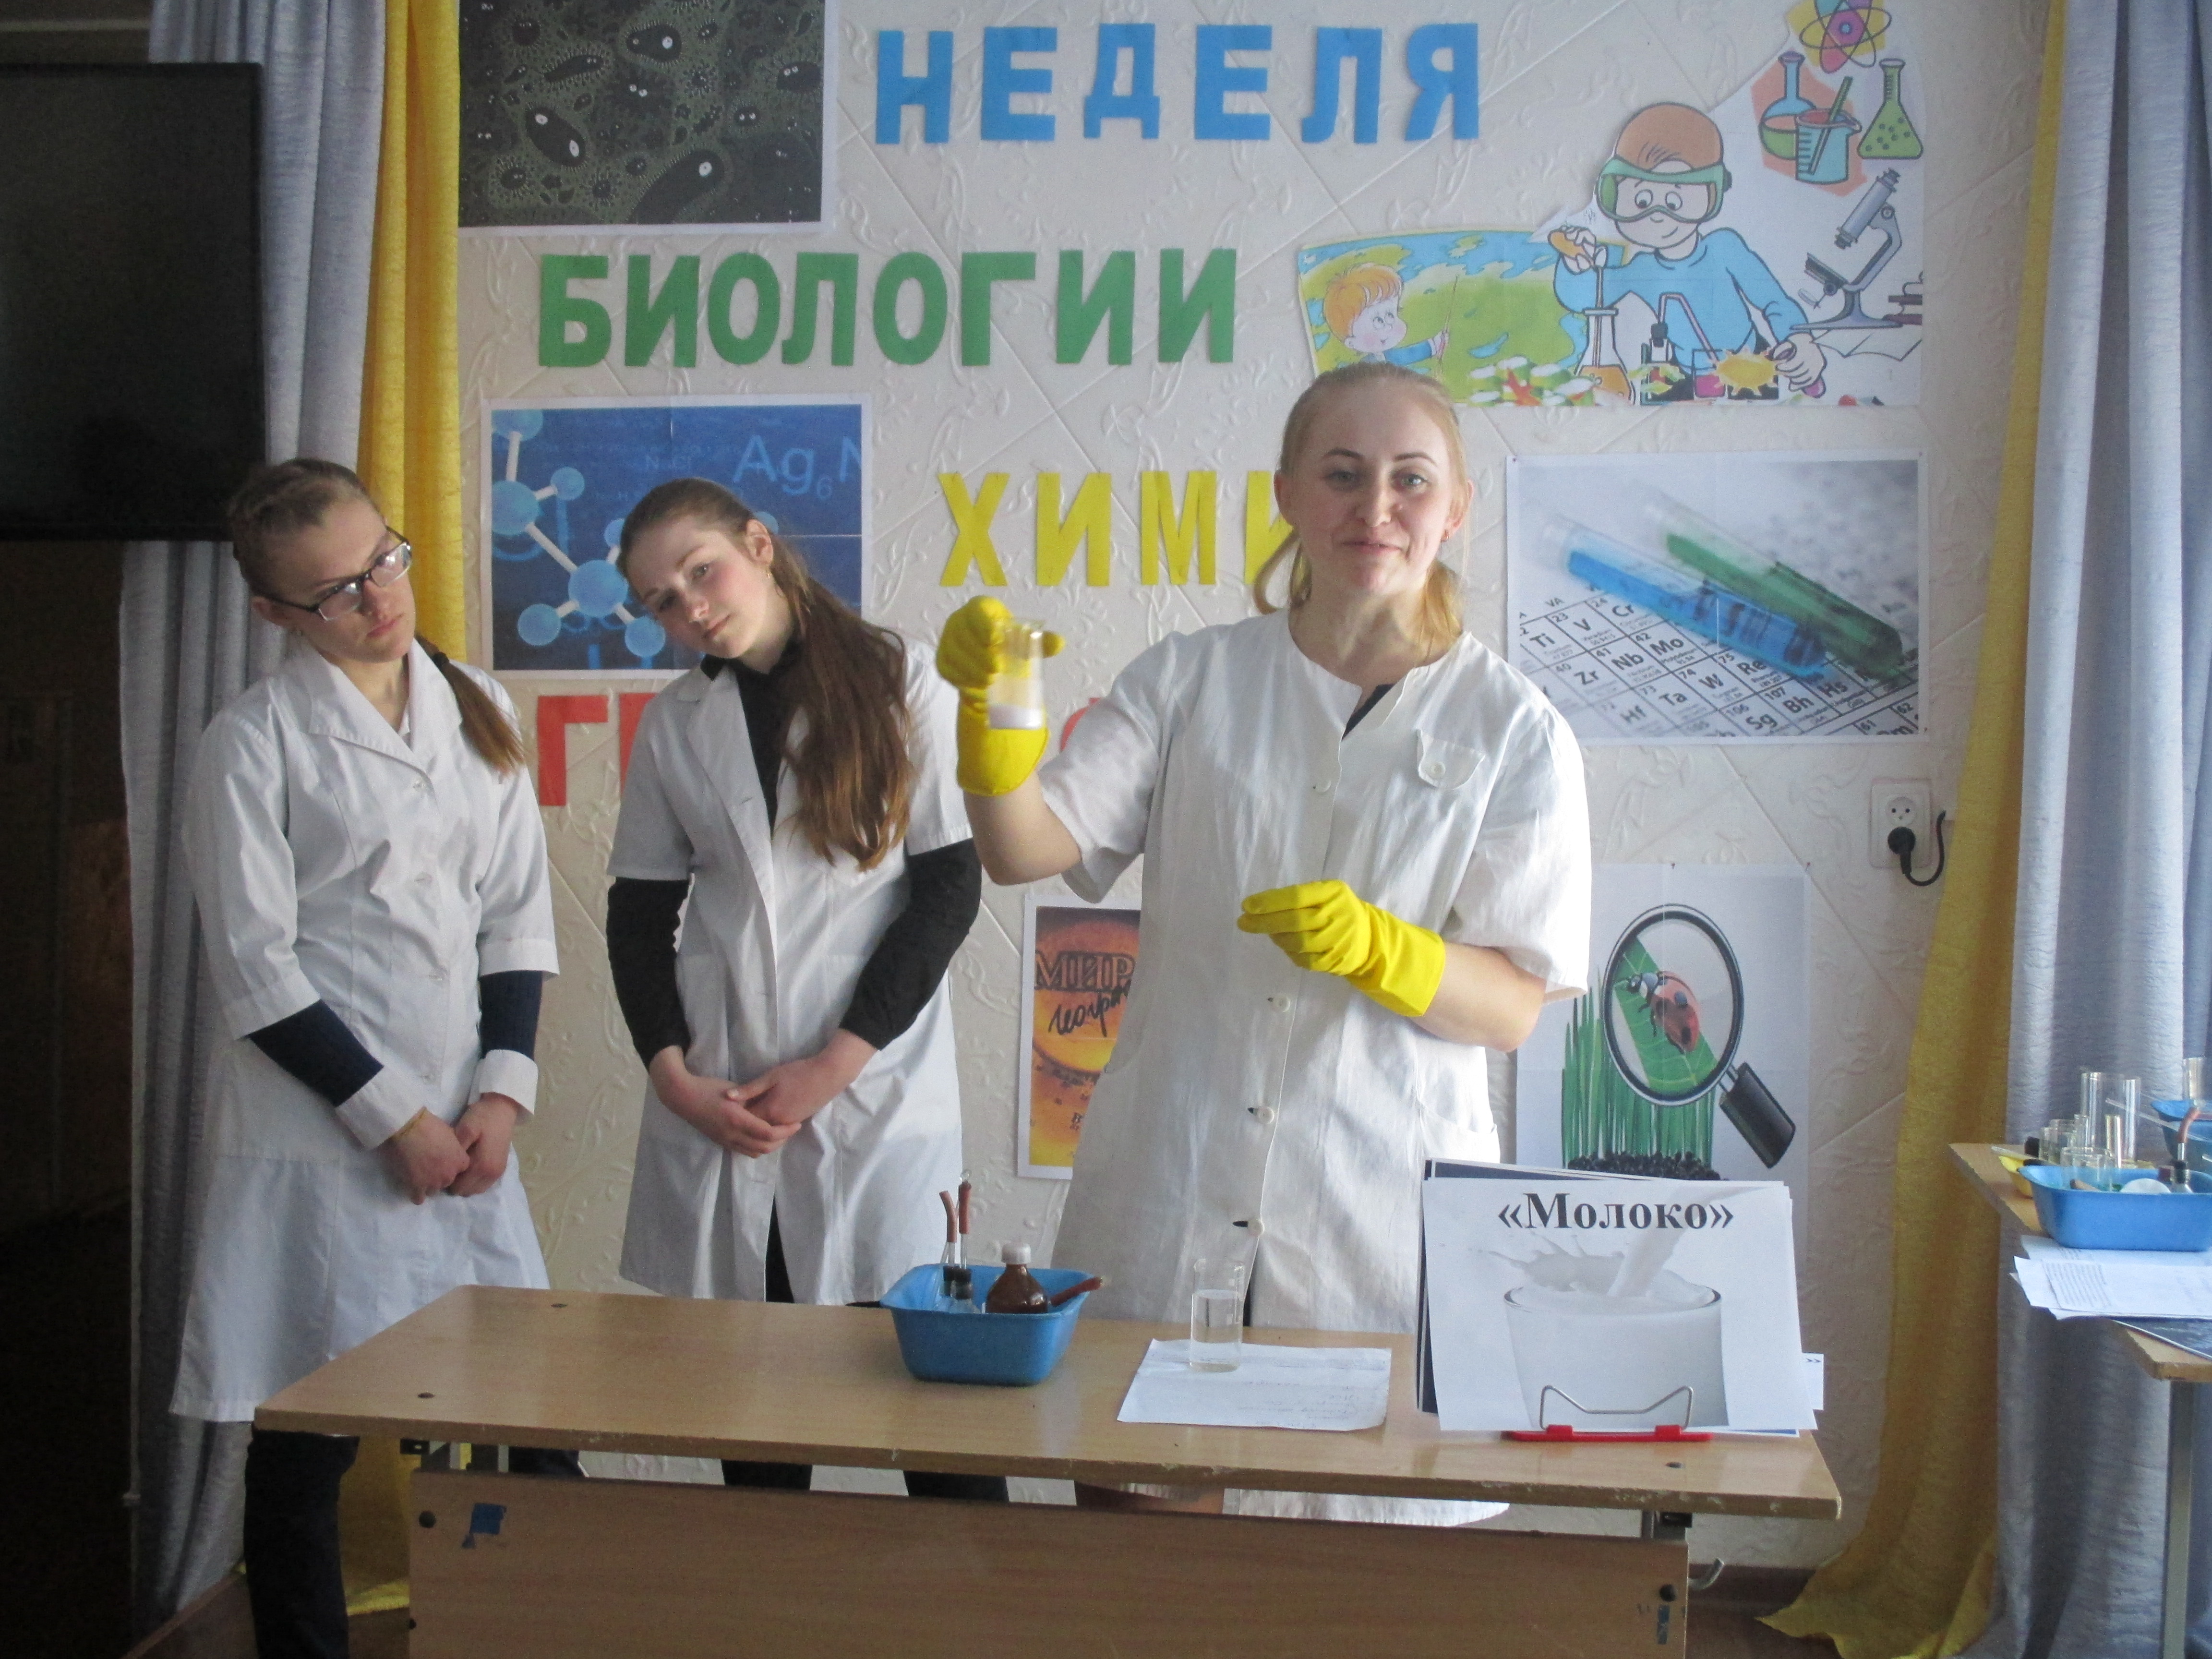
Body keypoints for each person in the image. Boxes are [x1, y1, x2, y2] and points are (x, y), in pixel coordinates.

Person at [940, 362, 1591, 1525]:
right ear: (1287, 492)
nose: (1375, 507)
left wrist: (1386, 950)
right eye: (1341, 474)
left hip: (1373, 1212)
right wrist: (994, 732)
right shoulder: (1190, 680)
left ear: (1455, 508)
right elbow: (1026, 847)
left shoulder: (1514, 728)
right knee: (1142, 1542)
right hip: (1171, 1180)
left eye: (1410, 480)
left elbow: (1511, 1008)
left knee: (1360, 1570)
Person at [178, 459, 574, 1659]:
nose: (379, 599)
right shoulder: (251, 744)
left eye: (384, 560)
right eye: (338, 591)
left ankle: (558, 1628)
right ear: (276, 613)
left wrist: (501, 1093)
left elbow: (516, 918)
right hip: (322, 1139)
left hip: (468, 1128)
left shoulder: (474, 705)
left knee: (534, 1419)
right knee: (309, 1433)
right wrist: (395, 1120)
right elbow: (256, 970)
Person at [604, 478, 1001, 1502]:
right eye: (662, 600)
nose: (691, 608)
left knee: (937, 1432)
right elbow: (638, 916)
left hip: (874, 1100)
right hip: (730, 1103)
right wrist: (674, 1078)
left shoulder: (902, 676)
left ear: (759, 544)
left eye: (702, 571)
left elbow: (949, 888)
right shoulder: (676, 724)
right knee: (759, 1427)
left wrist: (836, 1064)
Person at [1551, 102, 1826, 395]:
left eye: (1674, 202)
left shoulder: (1724, 247)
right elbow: (1587, 297)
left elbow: (1773, 301)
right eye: (1643, 201)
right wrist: (1576, 266)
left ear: (1711, 195)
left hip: (1749, 367)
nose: (1658, 216)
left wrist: (1800, 340)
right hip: (1683, 374)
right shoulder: (1643, 268)